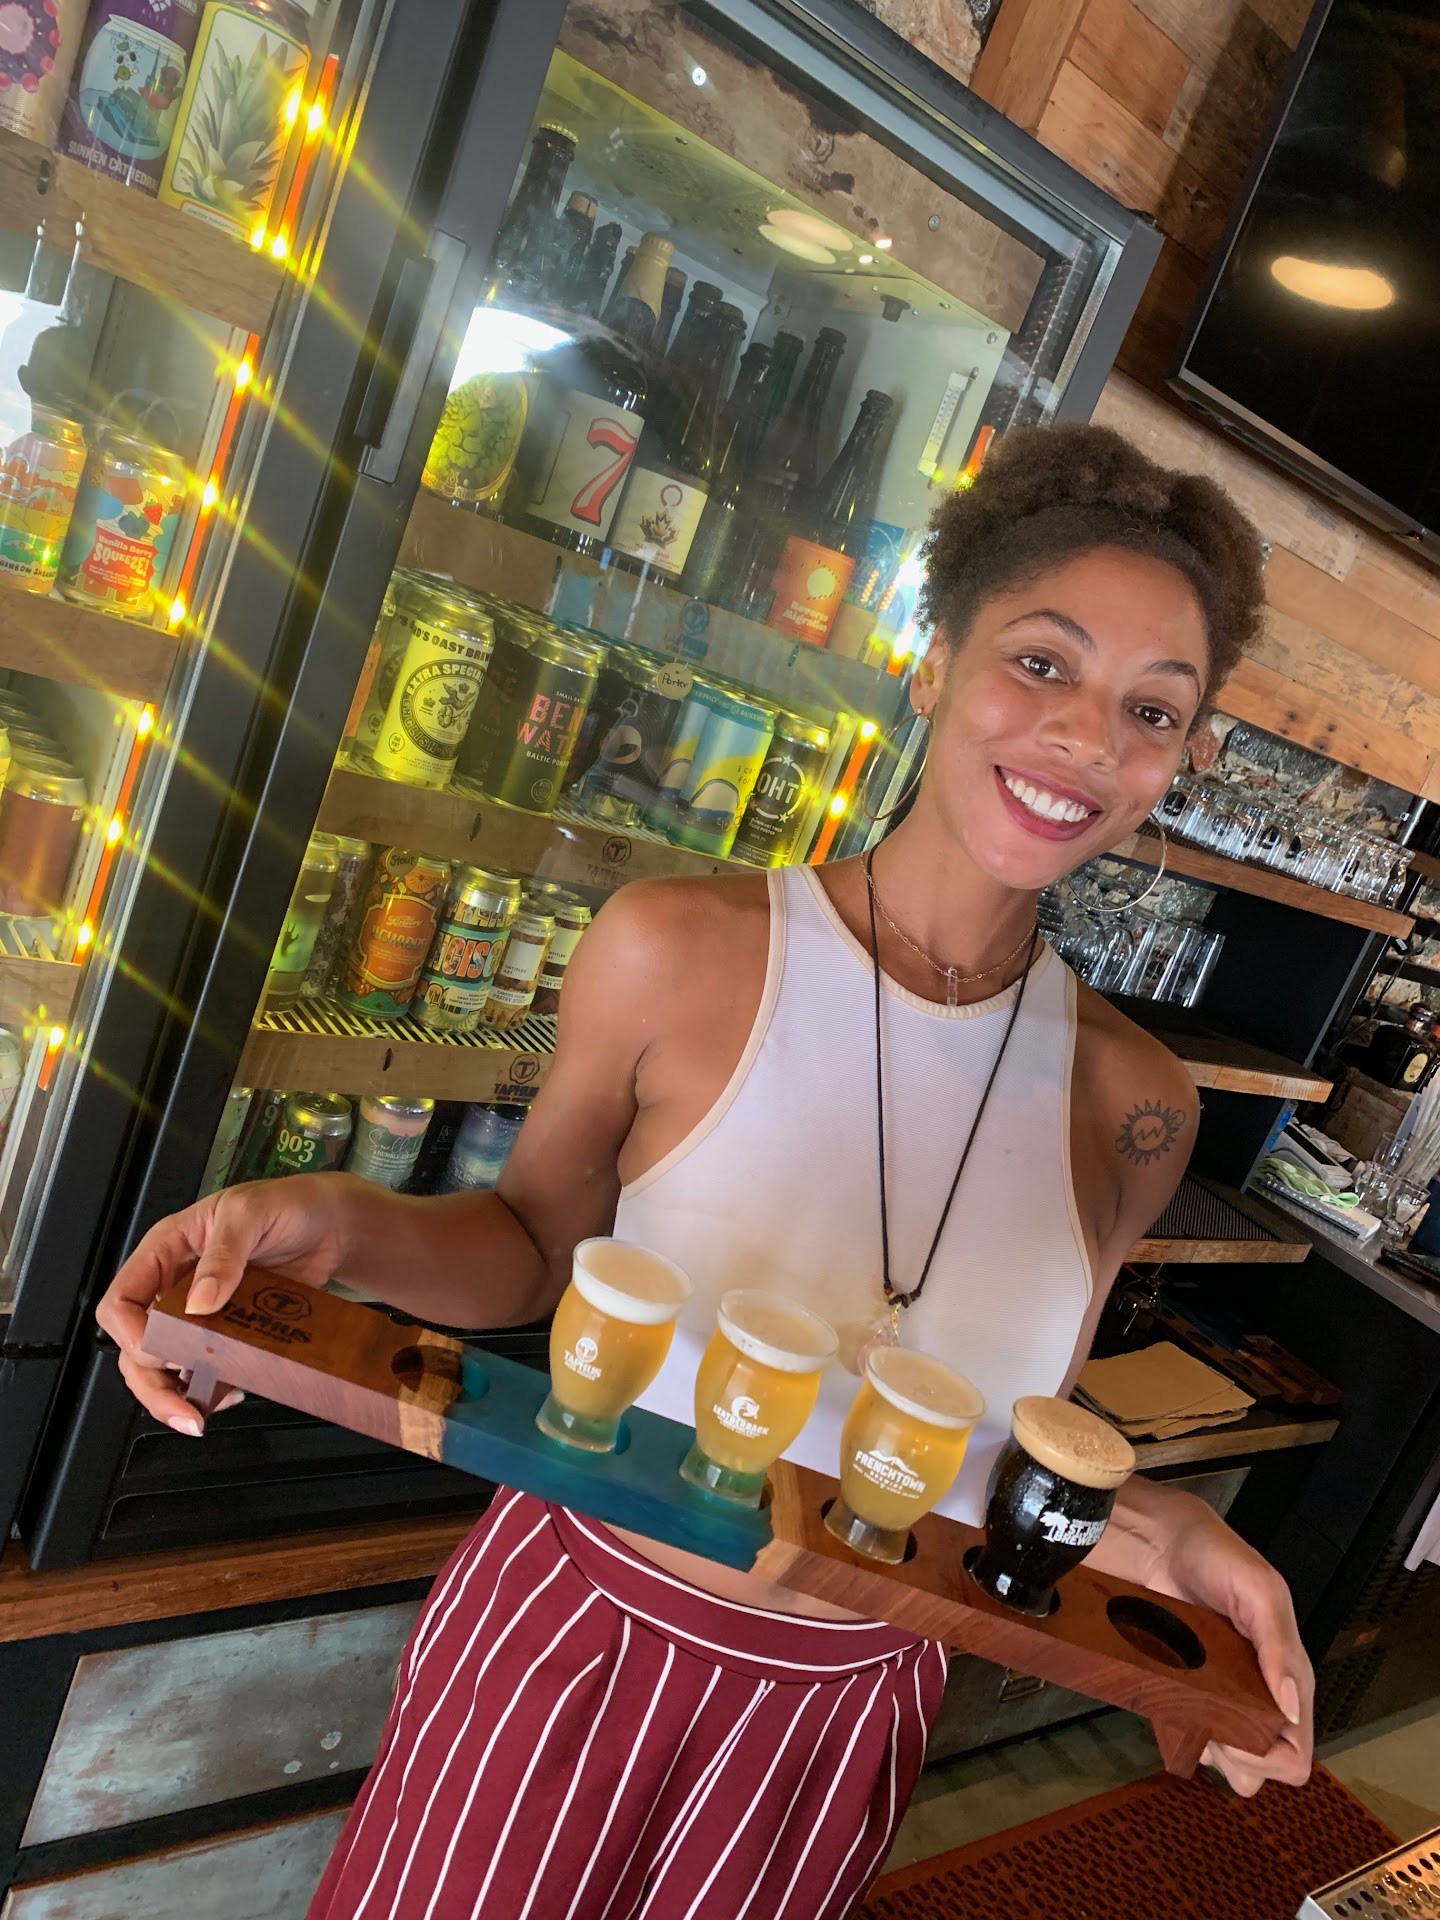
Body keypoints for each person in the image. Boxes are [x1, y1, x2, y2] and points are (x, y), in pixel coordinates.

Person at [99, 423, 1315, 1920]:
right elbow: (537, 1248)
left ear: (1183, 760)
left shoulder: (1138, 1105)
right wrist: (333, 1221)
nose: (1087, 738)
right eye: (1043, 662)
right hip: (583, 1628)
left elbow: (990, 1446)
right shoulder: (681, 946)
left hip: (851, 1702)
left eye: (1151, 709)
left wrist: (1166, 1532)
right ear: (934, 661)